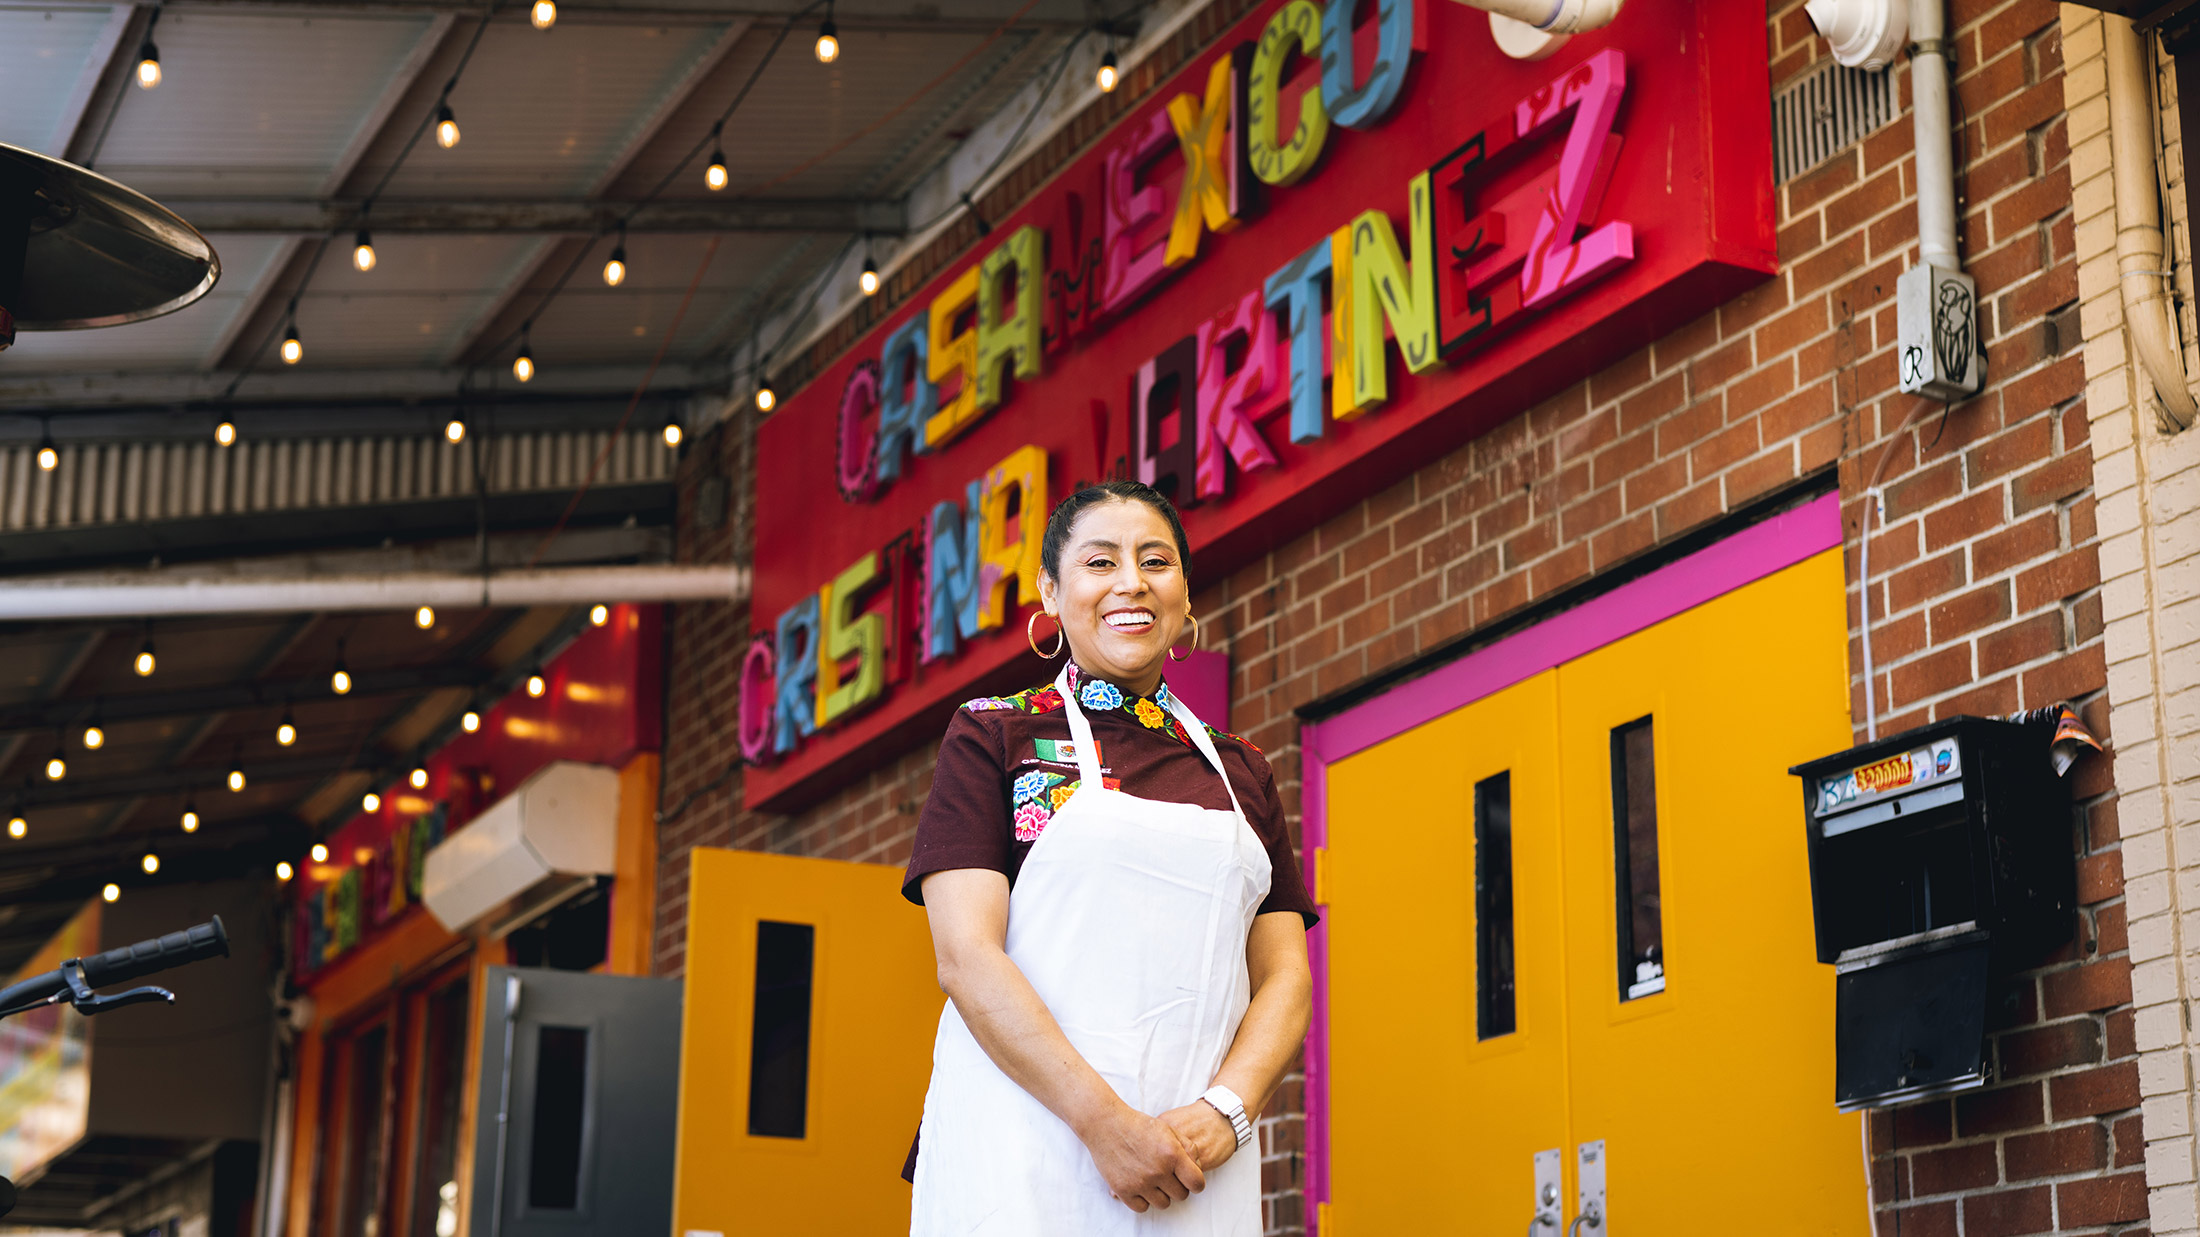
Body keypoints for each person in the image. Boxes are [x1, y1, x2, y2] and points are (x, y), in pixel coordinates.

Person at [902, 480, 1318, 1235]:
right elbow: (965, 955)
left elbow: (1285, 978)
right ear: (1051, 594)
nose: (1131, 581)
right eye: (1100, 562)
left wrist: (1226, 1112)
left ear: (1184, 595)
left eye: (1155, 560)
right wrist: (1105, 1125)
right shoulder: (994, 736)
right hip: (1025, 1153)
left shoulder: (1242, 770)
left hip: (1196, 1166)